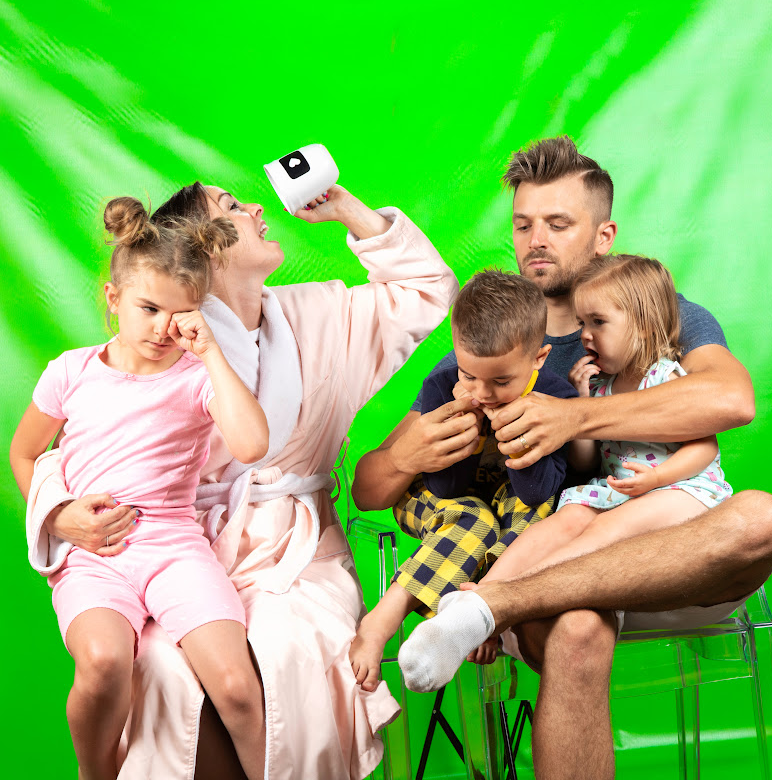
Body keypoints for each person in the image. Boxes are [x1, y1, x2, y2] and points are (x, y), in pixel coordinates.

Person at [352, 136, 772, 780]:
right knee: (579, 628)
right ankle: (491, 607)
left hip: (667, 563)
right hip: (555, 587)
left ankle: (487, 605)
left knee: (762, 519)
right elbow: (368, 488)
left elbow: (731, 399)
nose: (537, 240)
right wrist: (405, 455)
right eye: (523, 224)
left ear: (603, 235)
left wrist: (575, 417)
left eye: (558, 224)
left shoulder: (652, 311)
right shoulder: (496, 347)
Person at [24, 182, 459, 779]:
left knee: (282, 651)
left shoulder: (321, 314)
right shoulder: (162, 339)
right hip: (184, 548)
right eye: (232, 206)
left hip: (300, 556)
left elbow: (428, 289)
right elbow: (86, 437)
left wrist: (348, 211)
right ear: (202, 248)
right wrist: (58, 511)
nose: (256, 209)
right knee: (160, 668)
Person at [11, 202, 272, 780]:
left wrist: (211, 353)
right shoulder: (72, 372)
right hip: (94, 555)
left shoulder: (197, 377)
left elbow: (253, 444)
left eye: (180, 315)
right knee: (104, 661)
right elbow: (23, 453)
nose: (162, 329)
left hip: (173, 546)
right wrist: (56, 517)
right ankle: (96, 774)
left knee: (236, 687)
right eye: (149, 309)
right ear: (113, 297)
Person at [399, 251, 741, 691]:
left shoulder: (666, 376)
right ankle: (471, 605)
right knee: (563, 520)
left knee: (601, 530)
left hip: (681, 490)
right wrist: (580, 406)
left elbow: (704, 446)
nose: (584, 335)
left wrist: (658, 478)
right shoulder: (599, 386)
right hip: (619, 490)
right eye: (582, 323)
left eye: (598, 323)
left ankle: (497, 603)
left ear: (642, 326)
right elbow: (585, 462)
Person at [349, 269, 576, 691]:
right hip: (432, 498)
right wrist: (463, 432)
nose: (482, 392)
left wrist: (515, 440)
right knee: (474, 518)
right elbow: (446, 489)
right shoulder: (442, 385)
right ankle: (383, 618)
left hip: (509, 506)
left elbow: (538, 491)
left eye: (501, 381)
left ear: (539, 358)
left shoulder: (557, 397)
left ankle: (482, 613)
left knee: (541, 513)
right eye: (469, 375)